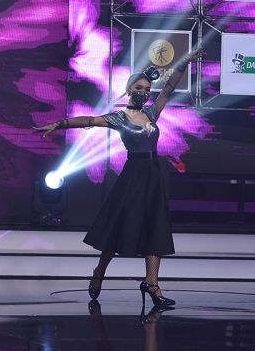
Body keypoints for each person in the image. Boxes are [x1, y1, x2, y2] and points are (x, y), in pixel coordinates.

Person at [33, 47, 204, 308]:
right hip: (133, 176)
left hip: (153, 176)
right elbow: (90, 120)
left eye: (147, 89)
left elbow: (169, 88)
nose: (144, 92)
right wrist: (60, 124)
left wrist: (185, 61)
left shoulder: (152, 113)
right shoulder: (119, 118)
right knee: (118, 227)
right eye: (139, 87)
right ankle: (99, 271)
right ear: (129, 89)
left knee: (155, 227)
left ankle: (152, 284)